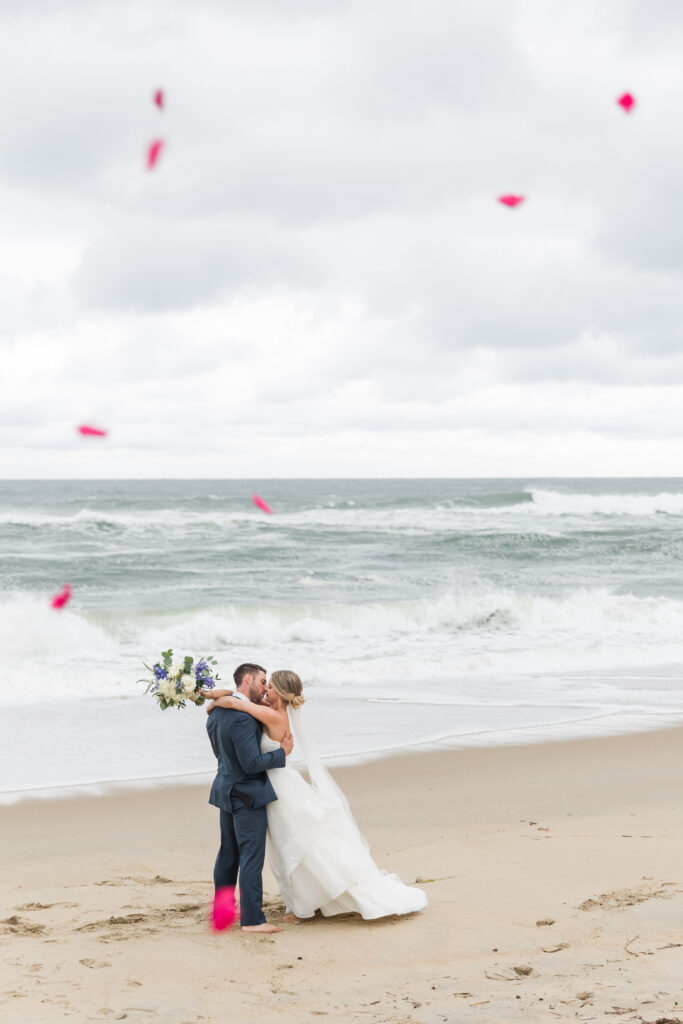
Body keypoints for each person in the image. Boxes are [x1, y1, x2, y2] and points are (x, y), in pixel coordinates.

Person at [205, 670, 427, 922]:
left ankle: (303, 905)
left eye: (270, 686)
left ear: (281, 693)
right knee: (289, 847)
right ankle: (301, 901)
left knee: (293, 847)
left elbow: (236, 703)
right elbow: (237, 699)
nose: (265, 689)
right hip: (271, 784)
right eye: (265, 684)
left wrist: (218, 701)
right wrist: (218, 696)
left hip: (278, 787)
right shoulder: (268, 710)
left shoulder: (271, 714)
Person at [206, 662, 293, 933]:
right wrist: (282, 754)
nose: (265, 688)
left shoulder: (215, 712)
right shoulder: (242, 718)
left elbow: (223, 754)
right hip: (246, 794)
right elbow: (252, 764)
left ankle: (222, 912)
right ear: (247, 680)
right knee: (251, 857)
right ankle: (253, 920)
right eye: (262, 681)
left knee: (228, 854)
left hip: (225, 788)